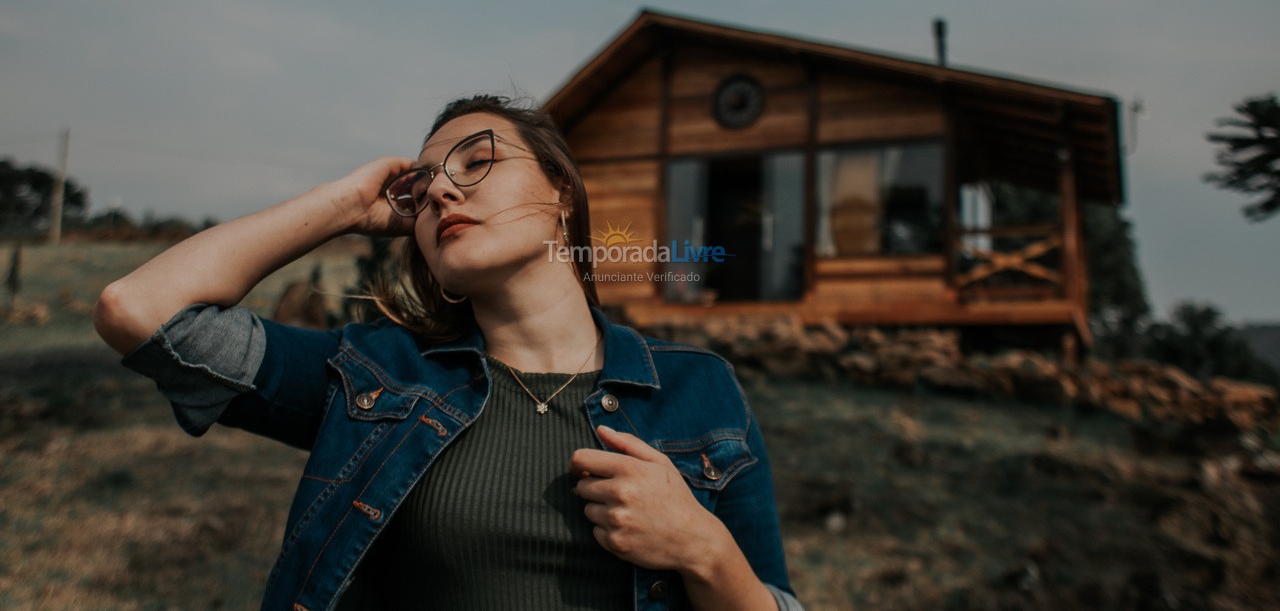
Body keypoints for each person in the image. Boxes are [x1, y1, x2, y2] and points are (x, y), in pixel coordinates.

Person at [95, 94, 804, 611]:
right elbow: (140, 311)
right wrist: (345, 206)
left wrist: (704, 550)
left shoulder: (698, 392)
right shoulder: (372, 374)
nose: (441, 192)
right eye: (422, 186)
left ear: (560, 190)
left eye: (476, 161)